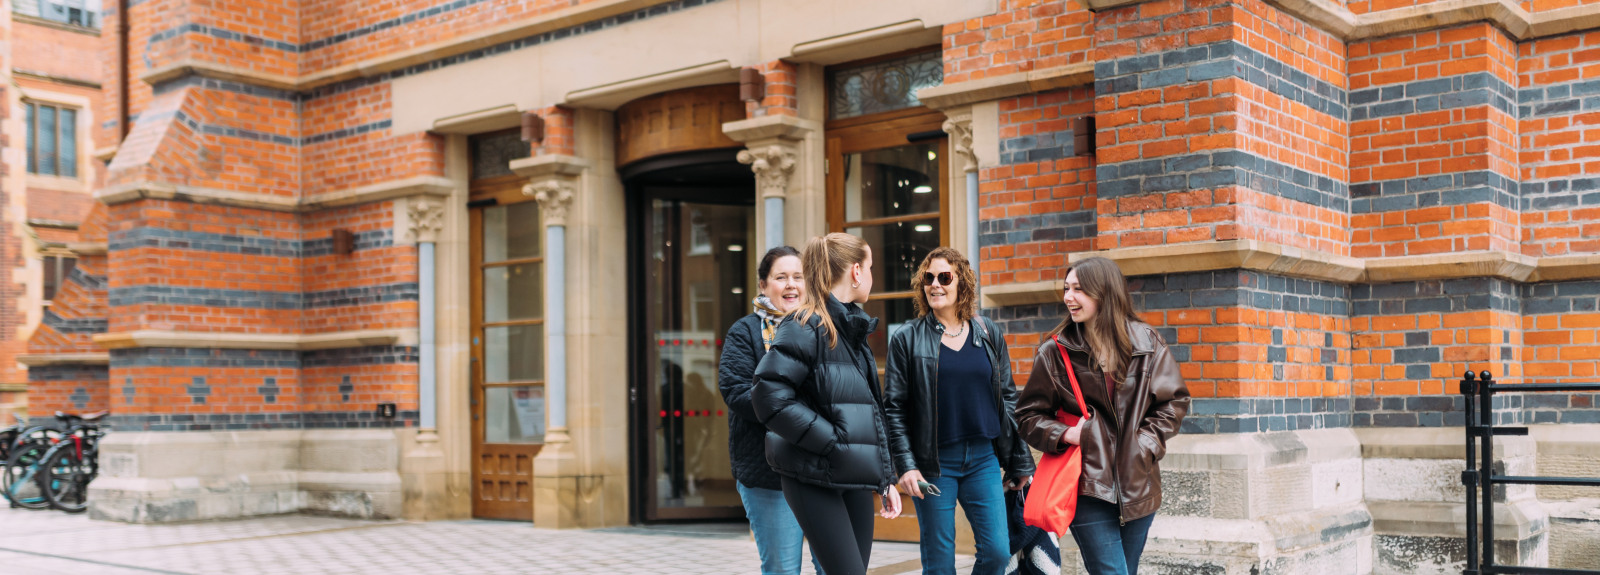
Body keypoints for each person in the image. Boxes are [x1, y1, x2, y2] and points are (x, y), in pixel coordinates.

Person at [1014, 257, 1190, 575]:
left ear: (1105, 293)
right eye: (1066, 288)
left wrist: (1145, 444)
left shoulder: (1146, 342)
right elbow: (1027, 416)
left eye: (1079, 289)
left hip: (1138, 484)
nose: (1069, 297)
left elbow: (1173, 402)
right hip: (1087, 485)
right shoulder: (1055, 352)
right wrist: (1066, 434)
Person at [753, 233, 901, 575]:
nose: (872, 276)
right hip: (812, 475)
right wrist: (832, 442)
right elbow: (768, 396)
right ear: (855, 272)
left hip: (852, 477)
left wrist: (885, 478)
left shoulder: (851, 329)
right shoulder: (805, 325)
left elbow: (869, 414)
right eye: (871, 267)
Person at [882, 247, 1036, 575]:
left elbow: (1008, 398)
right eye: (928, 278)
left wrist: (1019, 460)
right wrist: (906, 467)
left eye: (944, 277)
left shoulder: (987, 332)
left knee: (997, 552)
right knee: (939, 563)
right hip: (933, 463)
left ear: (961, 283)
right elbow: (894, 409)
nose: (935, 284)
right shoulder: (907, 338)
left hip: (983, 458)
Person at [718, 245, 826, 575]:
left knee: (835, 566)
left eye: (798, 276)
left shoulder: (823, 329)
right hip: (768, 471)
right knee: (781, 568)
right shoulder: (745, 332)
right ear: (764, 286)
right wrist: (797, 417)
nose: (791, 285)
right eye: (781, 277)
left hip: (824, 467)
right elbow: (736, 391)